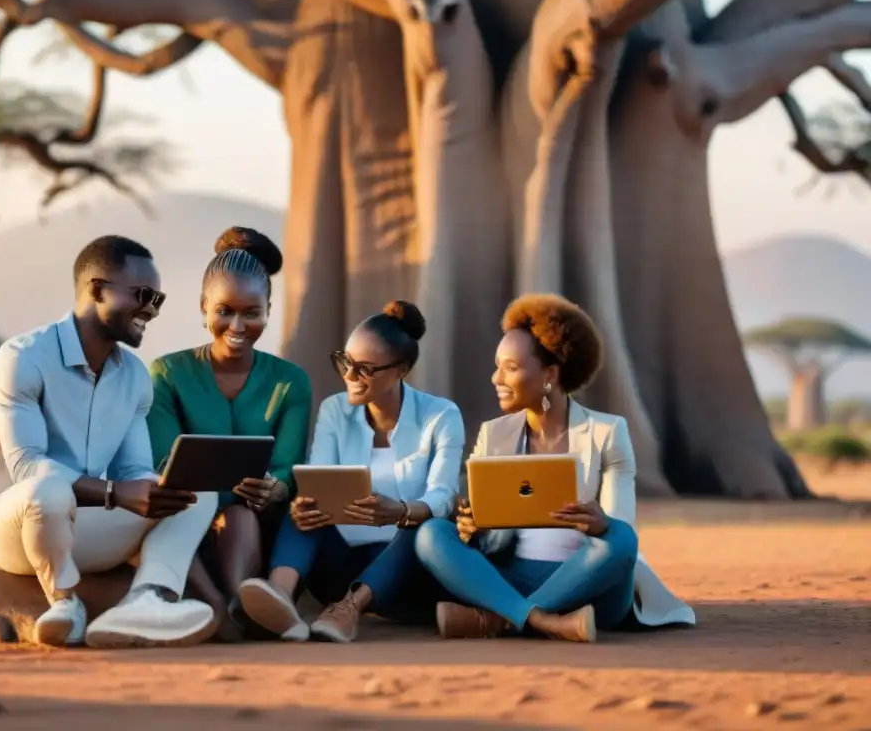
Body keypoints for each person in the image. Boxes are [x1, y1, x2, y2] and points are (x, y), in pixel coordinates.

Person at [0, 235, 218, 648]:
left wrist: (151, 488)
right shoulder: (23, 358)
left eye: (159, 299)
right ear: (97, 289)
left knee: (198, 491)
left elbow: (132, 471)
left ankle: (146, 599)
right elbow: (27, 466)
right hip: (9, 531)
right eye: (143, 295)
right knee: (46, 489)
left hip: (85, 524)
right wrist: (116, 493)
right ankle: (65, 605)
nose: (150, 310)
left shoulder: (134, 376)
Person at [415, 293, 696, 641]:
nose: (495, 378)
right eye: (497, 365)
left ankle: (497, 619)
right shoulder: (494, 433)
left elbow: (619, 525)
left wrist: (600, 522)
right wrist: (470, 525)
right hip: (510, 576)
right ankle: (541, 621)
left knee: (622, 538)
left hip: (589, 584)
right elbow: (484, 528)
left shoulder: (608, 432)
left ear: (550, 373)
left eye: (511, 368)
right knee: (431, 534)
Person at [237, 300, 464, 643]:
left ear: (401, 369)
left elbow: (443, 496)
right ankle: (280, 598)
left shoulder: (441, 416)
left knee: (426, 525)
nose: (349, 377)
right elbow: (318, 476)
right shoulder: (335, 410)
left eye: (365, 369)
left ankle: (348, 610)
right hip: (339, 564)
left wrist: (400, 512)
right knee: (305, 507)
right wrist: (305, 504)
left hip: (405, 571)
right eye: (345, 362)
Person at [146, 227, 312, 641]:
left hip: (263, 527)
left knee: (241, 515)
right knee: (229, 512)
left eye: (251, 313)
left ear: (268, 310)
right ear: (204, 307)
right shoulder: (167, 374)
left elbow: (289, 468)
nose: (238, 325)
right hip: (187, 520)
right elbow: (163, 464)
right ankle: (242, 608)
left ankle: (241, 605)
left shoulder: (290, 381)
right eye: (225, 311)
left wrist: (275, 488)